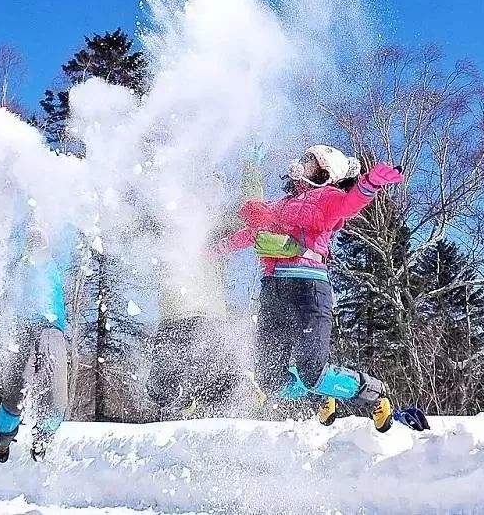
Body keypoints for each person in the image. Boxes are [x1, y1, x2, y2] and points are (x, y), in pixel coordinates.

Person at [216, 144, 428, 432]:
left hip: (308, 288)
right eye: (304, 159)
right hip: (273, 291)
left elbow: (349, 204)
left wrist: (370, 184)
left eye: (311, 163)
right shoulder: (279, 206)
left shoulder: (327, 197)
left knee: (312, 370)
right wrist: (212, 251)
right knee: (268, 377)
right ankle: (322, 393)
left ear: (325, 174)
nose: (302, 165)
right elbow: (249, 235)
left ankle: (374, 392)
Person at [146, 153, 267, 419]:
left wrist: (252, 171)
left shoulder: (214, 231)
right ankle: (199, 397)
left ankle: (237, 388)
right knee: (160, 389)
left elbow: (250, 214)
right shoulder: (166, 225)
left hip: (206, 318)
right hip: (172, 320)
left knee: (213, 386)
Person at [0, 225, 69, 463]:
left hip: (51, 330)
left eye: (40, 242)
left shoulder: (52, 264)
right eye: (31, 242)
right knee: (15, 396)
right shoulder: (19, 266)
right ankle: (3, 439)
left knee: (56, 399)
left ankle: (42, 438)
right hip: (22, 329)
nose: (36, 246)